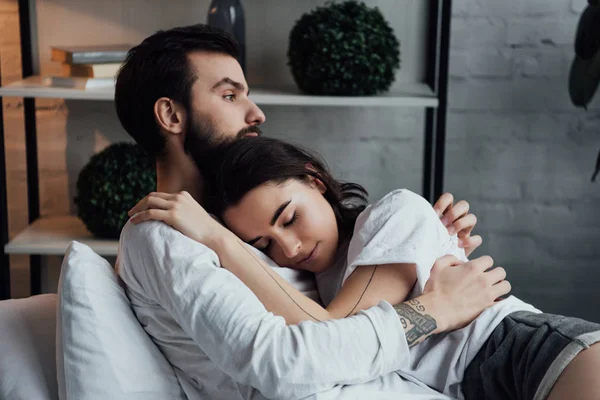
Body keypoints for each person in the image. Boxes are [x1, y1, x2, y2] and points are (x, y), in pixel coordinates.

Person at [115, 24, 497, 400]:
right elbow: (285, 361)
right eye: (230, 95)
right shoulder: (164, 234)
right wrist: (433, 309)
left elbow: (335, 299)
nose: (257, 114)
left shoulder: (231, 223)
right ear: (171, 116)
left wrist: (422, 241)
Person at [129, 136, 600, 400]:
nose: (288, 248)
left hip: (528, 354)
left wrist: (219, 241)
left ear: (315, 180)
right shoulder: (315, 280)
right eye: (263, 245)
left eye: (289, 218)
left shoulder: (392, 215)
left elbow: (332, 332)